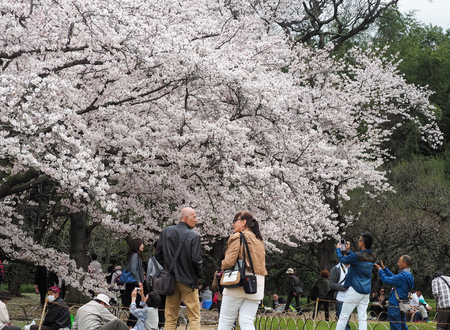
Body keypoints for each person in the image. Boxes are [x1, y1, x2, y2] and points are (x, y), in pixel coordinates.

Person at [217, 211, 267, 330]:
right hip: (257, 283)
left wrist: (222, 264)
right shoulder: (259, 240)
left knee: (226, 320)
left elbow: (228, 262)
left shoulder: (237, 237)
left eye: (235, 221)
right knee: (247, 321)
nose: (233, 224)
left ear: (243, 222)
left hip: (238, 282)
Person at [155, 207, 203, 330]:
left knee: (170, 317)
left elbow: (158, 255)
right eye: (194, 217)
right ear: (186, 218)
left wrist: (168, 267)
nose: (196, 220)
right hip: (189, 280)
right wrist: (199, 275)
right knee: (194, 317)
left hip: (170, 280)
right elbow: (196, 260)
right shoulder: (194, 236)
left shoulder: (166, 232)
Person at [334, 233, 376, 330]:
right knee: (362, 317)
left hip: (355, 289)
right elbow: (358, 258)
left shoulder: (357, 256)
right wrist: (349, 252)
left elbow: (342, 259)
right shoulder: (372, 257)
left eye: (359, 240)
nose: (358, 242)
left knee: (343, 316)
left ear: (363, 243)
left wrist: (338, 249)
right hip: (366, 291)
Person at [376, 255, 414, 330]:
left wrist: (380, 270)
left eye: (399, 262)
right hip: (402, 305)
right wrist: (384, 268)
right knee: (403, 327)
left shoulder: (402, 276)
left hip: (395, 305)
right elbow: (394, 278)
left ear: (405, 263)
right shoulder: (409, 276)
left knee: (395, 327)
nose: (398, 263)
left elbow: (387, 280)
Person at [124, 238, 146, 327]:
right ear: (137, 245)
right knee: (136, 305)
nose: (143, 246)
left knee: (135, 305)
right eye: (141, 244)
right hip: (134, 283)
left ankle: (130, 324)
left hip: (133, 283)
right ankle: (132, 325)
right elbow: (133, 269)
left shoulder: (134, 255)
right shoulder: (135, 255)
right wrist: (139, 281)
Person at [329, 249, 351, 330]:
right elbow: (331, 284)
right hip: (340, 298)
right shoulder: (336, 269)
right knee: (344, 321)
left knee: (346, 320)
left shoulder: (353, 268)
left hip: (351, 298)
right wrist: (344, 287)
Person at [146, 241, 165, 330]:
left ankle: (155, 325)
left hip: (155, 287)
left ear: (154, 249)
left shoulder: (152, 260)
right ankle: (162, 324)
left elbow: (149, 275)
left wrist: (149, 287)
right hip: (166, 287)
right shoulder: (168, 259)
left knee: (155, 306)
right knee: (164, 306)